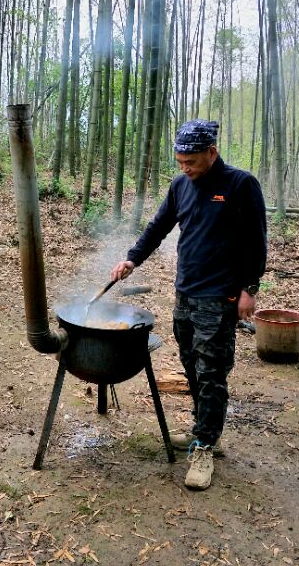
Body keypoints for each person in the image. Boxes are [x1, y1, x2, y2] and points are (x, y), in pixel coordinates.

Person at [111, 120, 267, 490]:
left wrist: (249, 288)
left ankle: (204, 447)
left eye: (192, 161)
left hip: (220, 295)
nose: (185, 168)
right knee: (190, 365)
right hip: (186, 291)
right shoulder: (181, 185)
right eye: (180, 161)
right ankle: (204, 428)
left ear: (212, 153)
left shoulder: (240, 185)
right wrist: (133, 258)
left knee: (212, 371)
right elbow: (158, 226)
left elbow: (256, 241)